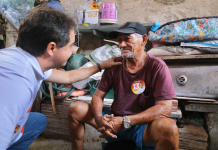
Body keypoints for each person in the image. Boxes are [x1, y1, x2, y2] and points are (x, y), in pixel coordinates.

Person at [0, 7, 121, 150]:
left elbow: (68, 76)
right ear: (51, 48)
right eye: (70, 45)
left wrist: (100, 66)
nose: (72, 50)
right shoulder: (17, 83)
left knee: (38, 120)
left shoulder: (27, 56)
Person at [68, 22, 179, 150]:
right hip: (114, 122)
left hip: (142, 127)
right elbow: (98, 95)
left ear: (143, 40)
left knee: (169, 128)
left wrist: (126, 120)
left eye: (127, 39)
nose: (122, 45)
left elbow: (165, 108)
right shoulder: (115, 65)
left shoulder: (157, 66)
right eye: (119, 40)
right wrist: (99, 119)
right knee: (75, 108)